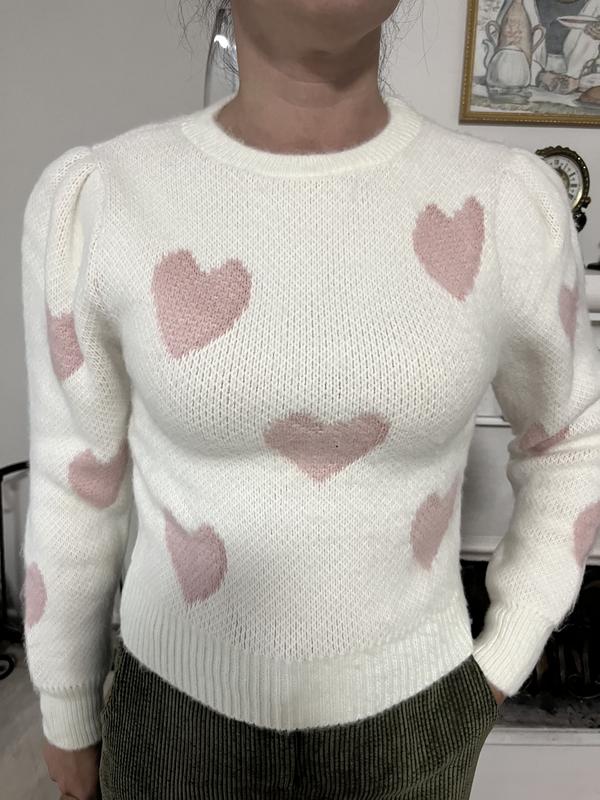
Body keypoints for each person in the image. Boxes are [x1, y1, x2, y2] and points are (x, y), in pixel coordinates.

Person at [20, 1, 600, 798]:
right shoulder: (99, 201)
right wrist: (66, 705)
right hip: (173, 727)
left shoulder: (506, 204)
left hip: (414, 724)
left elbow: (571, 437)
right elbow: (76, 478)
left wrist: (507, 652)